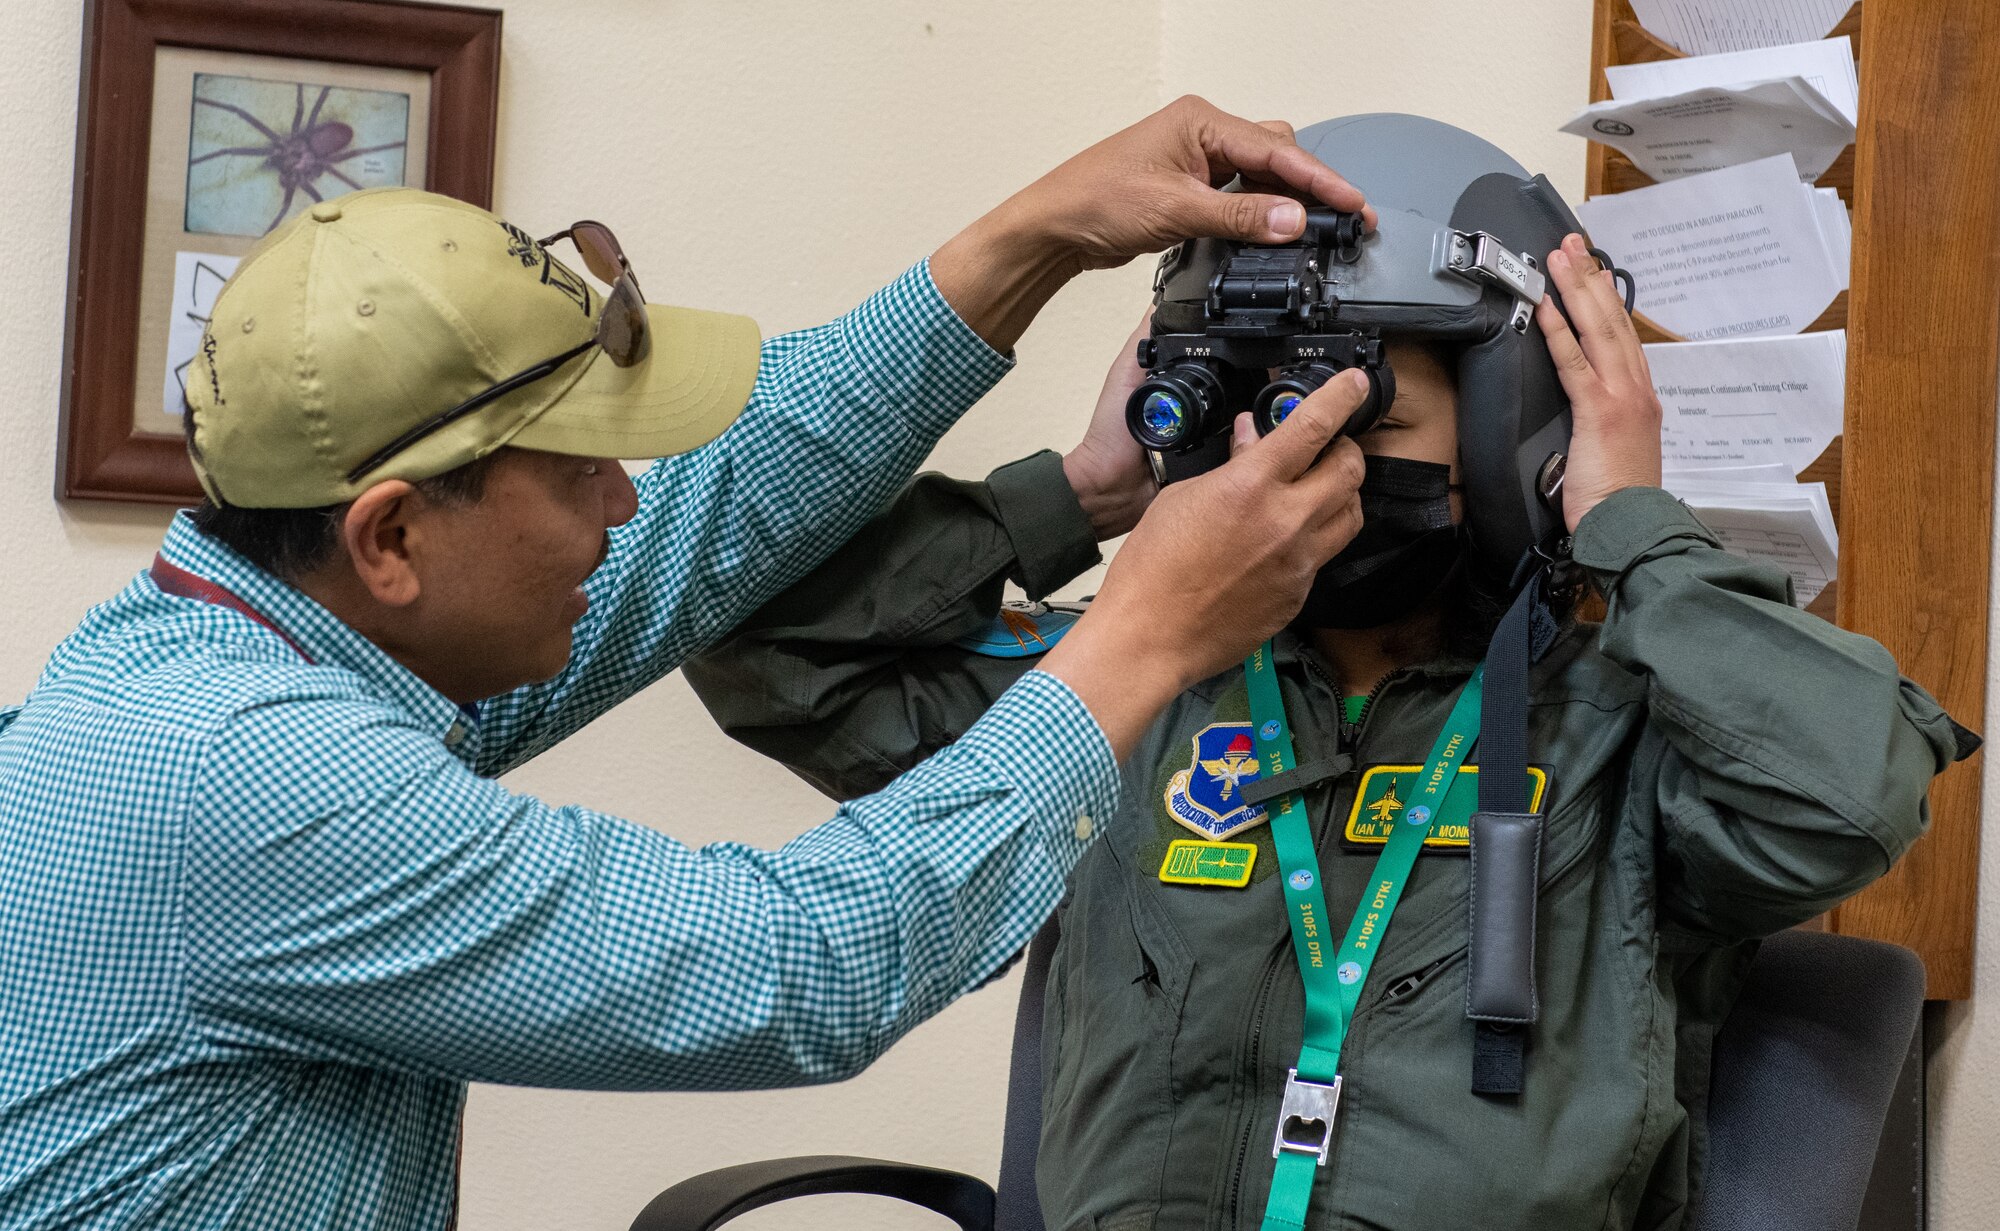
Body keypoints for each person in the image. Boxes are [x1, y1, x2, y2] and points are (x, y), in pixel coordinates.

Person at [0, 100, 1380, 1230]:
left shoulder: (231, 645)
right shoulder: (257, 778)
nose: (622, 501)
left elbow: (712, 525)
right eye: (582, 467)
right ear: (394, 537)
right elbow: (798, 966)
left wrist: (1034, 241)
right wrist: (1147, 630)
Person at [685, 115, 1978, 1229]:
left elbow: (1846, 795)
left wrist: (1629, 527)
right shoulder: (1127, 688)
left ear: (1511, 419)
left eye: (1362, 417)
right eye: (1252, 413)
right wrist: (1088, 490)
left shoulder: (1624, 730)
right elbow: (765, 648)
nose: (1287, 460)